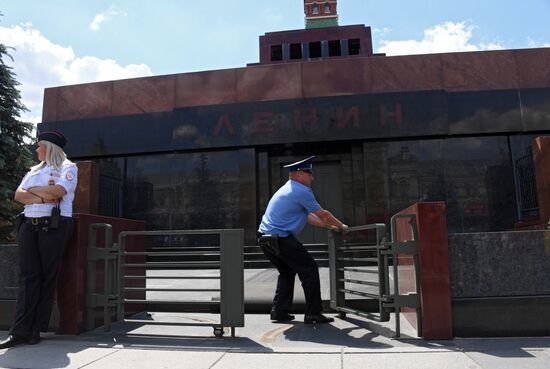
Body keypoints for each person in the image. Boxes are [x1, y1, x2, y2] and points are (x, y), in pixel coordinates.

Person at [0, 131, 78, 349]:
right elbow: (18, 195)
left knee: (46, 278)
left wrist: (33, 192)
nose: (36, 150)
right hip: (28, 225)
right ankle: (19, 331)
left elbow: (59, 191)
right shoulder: (34, 171)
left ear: (49, 147)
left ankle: (36, 329)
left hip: (53, 226)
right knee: (28, 277)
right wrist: (44, 195)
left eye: (39, 146)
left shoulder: (68, 168)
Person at [258, 156, 348, 324]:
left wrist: (330, 227)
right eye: (309, 174)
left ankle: (279, 311)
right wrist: (342, 226)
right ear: (299, 175)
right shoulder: (301, 190)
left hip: (265, 239)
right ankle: (313, 313)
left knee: (287, 272)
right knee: (310, 269)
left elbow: (309, 217)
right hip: (280, 238)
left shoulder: (288, 188)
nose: (312, 177)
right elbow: (323, 214)